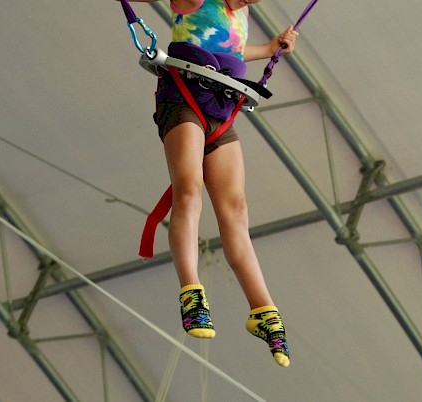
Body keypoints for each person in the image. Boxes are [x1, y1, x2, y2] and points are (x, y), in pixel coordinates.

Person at [127, 0, 298, 367]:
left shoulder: (243, 12)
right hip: (183, 99)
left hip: (222, 108)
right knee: (188, 190)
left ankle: (262, 311)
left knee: (236, 210)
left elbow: (229, 47)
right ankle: (191, 292)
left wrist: (268, 50)